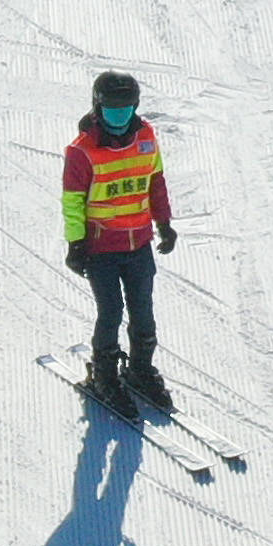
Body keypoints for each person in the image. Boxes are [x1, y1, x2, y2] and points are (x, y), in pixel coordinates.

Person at [63, 71, 177, 413]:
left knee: (143, 311)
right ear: (98, 108)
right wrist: (76, 243)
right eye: (112, 112)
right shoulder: (82, 152)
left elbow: (155, 181)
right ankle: (104, 375)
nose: (119, 119)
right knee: (110, 312)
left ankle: (140, 369)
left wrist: (164, 222)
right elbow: (72, 201)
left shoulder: (145, 137)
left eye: (125, 111)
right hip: (102, 249)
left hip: (139, 243)